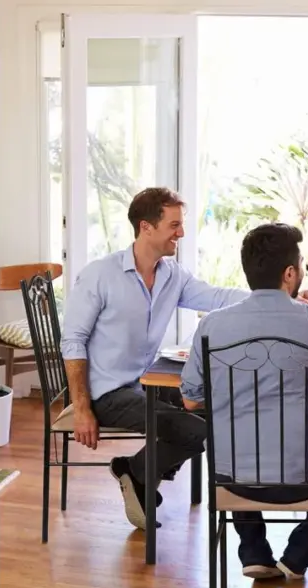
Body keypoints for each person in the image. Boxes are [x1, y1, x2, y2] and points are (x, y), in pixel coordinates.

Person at [181, 223, 308, 580]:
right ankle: (300, 553)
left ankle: (253, 549)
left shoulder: (211, 326)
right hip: (306, 476)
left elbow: (191, 400)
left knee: (236, 438)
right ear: (289, 273)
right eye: (301, 265)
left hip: (231, 479)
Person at [61, 187, 248, 530]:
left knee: (214, 408)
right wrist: (82, 407)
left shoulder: (171, 275)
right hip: (106, 392)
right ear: (146, 227)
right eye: (174, 225)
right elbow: (72, 341)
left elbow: (216, 296)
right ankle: (137, 472)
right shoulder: (100, 275)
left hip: (144, 382)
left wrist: (272, 297)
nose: (182, 233)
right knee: (198, 432)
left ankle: (139, 471)